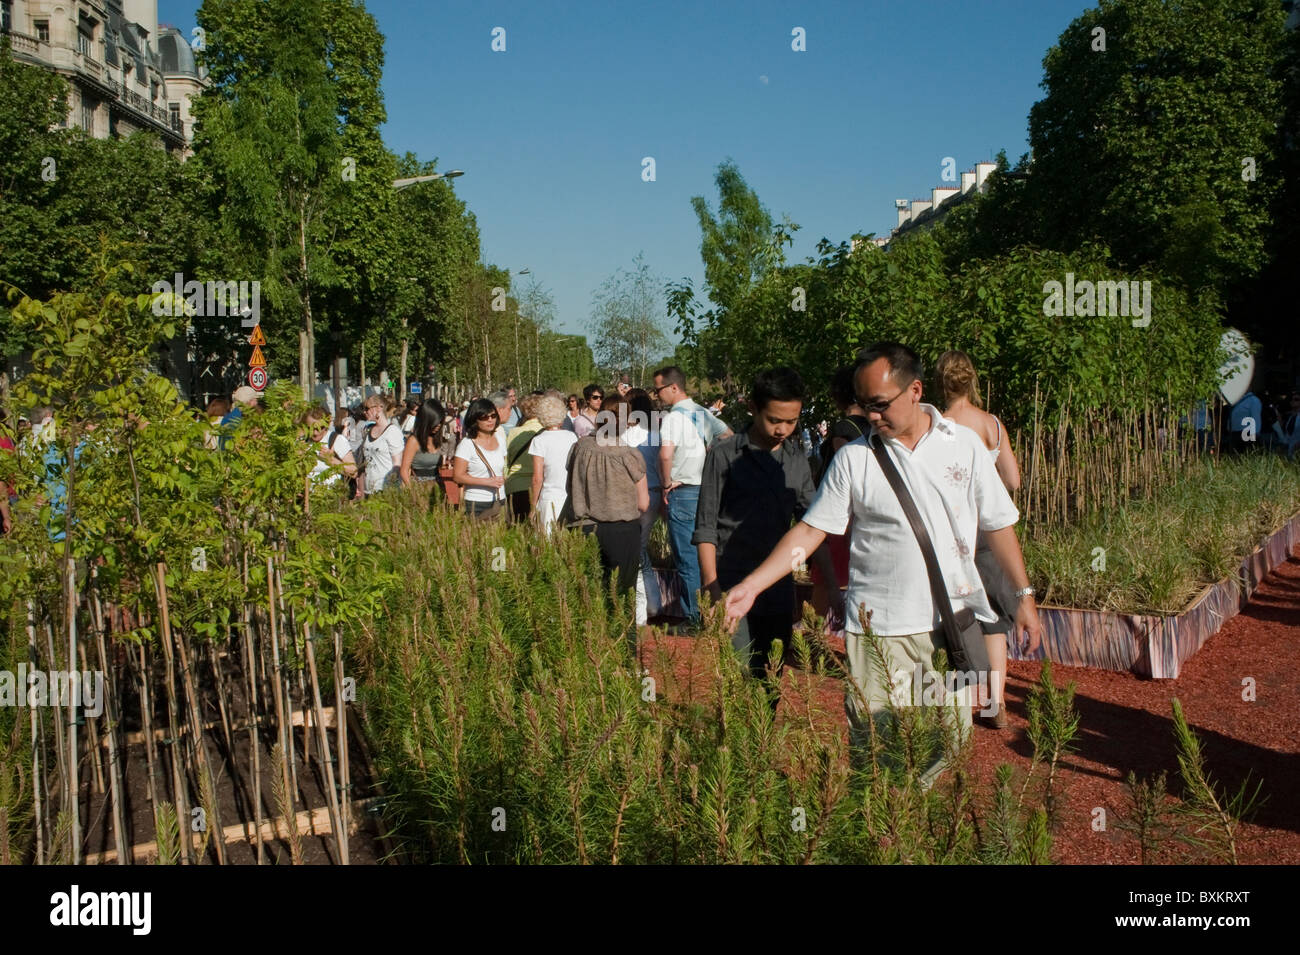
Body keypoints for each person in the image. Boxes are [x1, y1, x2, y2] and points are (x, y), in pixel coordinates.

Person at [723, 343, 1042, 778]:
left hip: (948, 630)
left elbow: (999, 524)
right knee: (878, 756)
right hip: (877, 637)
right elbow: (811, 530)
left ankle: (907, 829)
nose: (871, 416)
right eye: (865, 405)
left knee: (946, 742)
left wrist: (1023, 595)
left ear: (915, 390)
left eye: (880, 405)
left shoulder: (963, 445)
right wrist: (753, 584)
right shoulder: (855, 459)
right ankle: (882, 837)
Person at [694, 368, 840, 677]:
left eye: (792, 421)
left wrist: (831, 585)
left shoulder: (797, 460)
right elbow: (706, 526)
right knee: (739, 677)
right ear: (753, 408)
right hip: (730, 583)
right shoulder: (723, 456)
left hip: (777, 586)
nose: (783, 429)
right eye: (774, 420)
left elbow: (813, 525)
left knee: (771, 677)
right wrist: (712, 587)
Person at [935, 350, 1023, 729]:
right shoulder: (991, 425)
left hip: (948, 531)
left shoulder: (935, 425)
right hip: (987, 534)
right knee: (996, 620)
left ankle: (956, 701)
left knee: (953, 612)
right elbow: (1015, 481)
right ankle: (996, 702)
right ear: (972, 381)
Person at [654, 365, 733, 625]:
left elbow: (666, 454)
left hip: (683, 490)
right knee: (709, 555)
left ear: (673, 387)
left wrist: (666, 483)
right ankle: (714, 613)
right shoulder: (703, 413)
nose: (657, 396)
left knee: (687, 559)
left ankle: (695, 619)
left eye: (658, 390)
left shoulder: (673, 418)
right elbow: (728, 437)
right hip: (709, 491)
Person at [563, 393, 649, 594]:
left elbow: (570, 487)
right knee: (621, 595)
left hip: (581, 526)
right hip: (621, 531)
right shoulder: (629, 454)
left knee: (585, 594)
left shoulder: (578, 447)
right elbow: (643, 503)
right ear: (626, 421)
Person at [622, 387, 663, 628]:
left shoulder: (629, 436)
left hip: (638, 495)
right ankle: (653, 603)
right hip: (657, 492)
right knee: (642, 548)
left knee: (636, 550)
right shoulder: (657, 432)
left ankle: (645, 608)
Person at [529, 395, 578, 532]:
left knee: (547, 545)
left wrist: (533, 506)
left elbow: (537, 478)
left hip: (549, 497)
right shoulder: (572, 437)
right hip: (570, 497)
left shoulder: (539, 441)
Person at [452, 397, 507, 519]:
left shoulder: (501, 440)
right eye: (484, 417)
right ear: (475, 419)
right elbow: (457, 476)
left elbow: (503, 468)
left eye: (493, 416)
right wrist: (487, 482)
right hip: (476, 503)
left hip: (500, 499)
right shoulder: (467, 444)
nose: (490, 420)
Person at [504, 394, 544, 521]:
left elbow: (506, 461)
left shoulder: (513, 432)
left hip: (515, 485)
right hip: (538, 487)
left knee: (516, 528)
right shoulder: (545, 432)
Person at [399, 398, 448, 499]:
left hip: (437, 486)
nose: (438, 425)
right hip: (419, 487)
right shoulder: (414, 441)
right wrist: (413, 492)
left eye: (440, 421)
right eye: (435, 422)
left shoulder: (437, 438)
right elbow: (404, 470)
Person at [304, 405, 358, 489]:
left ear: (327, 424)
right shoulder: (303, 442)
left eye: (319, 428)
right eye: (310, 428)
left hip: (331, 497)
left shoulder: (336, 440)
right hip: (308, 497)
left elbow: (353, 472)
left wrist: (331, 460)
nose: (315, 433)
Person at [361, 394, 404, 495]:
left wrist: (390, 489)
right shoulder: (368, 430)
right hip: (369, 489)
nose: (364, 412)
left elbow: (397, 464)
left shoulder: (392, 431)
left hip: (385, 490)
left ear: (379, 408)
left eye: (367, 408)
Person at [219, 386, 260, 451]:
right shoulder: (240, 419)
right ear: (249, 401)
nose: (257, 403)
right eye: (255, 400)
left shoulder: (228, 417)